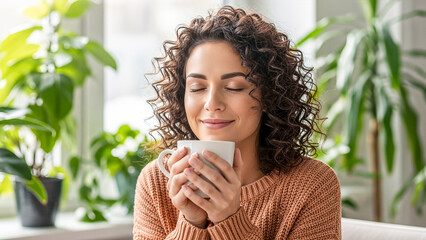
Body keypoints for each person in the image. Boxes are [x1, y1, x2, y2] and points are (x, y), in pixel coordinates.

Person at [133, 5, 341, 240]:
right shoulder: (157, 182)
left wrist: (230, 220)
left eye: (234, 87)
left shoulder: (311, 185)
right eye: (197, 88)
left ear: (269, 95)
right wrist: (191, 224)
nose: (212, 103)